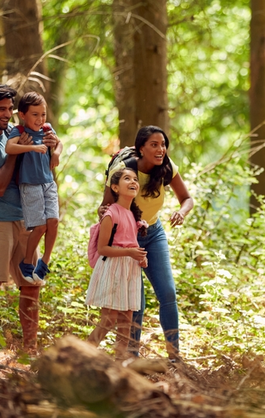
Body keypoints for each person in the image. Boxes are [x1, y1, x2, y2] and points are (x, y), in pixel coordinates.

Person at [0, 82, 60, 356]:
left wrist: (50, 148)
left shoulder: (15, 131)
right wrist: (20, 153)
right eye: (0, 109)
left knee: (31, 285)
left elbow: (43, 164)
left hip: (26, 219)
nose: (7, 114)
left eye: (9, 109)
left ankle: (30, 349)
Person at [100, 125, 194, 359]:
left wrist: (181, 212)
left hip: (154, 232)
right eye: (154, 144)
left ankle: (174, 356)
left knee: (168, 293)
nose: (160, 149)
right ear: (141, 148)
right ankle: (132, 356)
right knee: (136, 300)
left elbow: (187, 199)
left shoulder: (167, 167)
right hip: (128, 238)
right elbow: (104, 207)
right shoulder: (124, 170)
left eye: (163, 144)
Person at [86, 167, 149, 357]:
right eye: (126, 179)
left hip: (130, 270)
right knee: (108, 320)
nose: (133, 182)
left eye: (135, 179)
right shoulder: (111, 214)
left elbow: (130, 242)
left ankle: (120, 365)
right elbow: (103, 248)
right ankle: (81, 356)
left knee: (126, 322)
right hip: (113, 267)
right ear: (114, 187)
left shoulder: (132, 215)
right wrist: (129, 251)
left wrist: (140, 257)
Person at [5, 92, 62, 285]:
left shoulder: (47, 129)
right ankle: (27, 260)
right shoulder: (19, 131)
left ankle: (44, 261)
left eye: (43, 114)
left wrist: (56, 154)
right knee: (40, 226)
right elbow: (9, 148)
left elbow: (59, 143)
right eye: (35, 114)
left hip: (48, 182)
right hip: (30, 184)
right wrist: (30, 148)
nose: (40, 119)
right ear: (22, 114)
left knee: (53, 221)